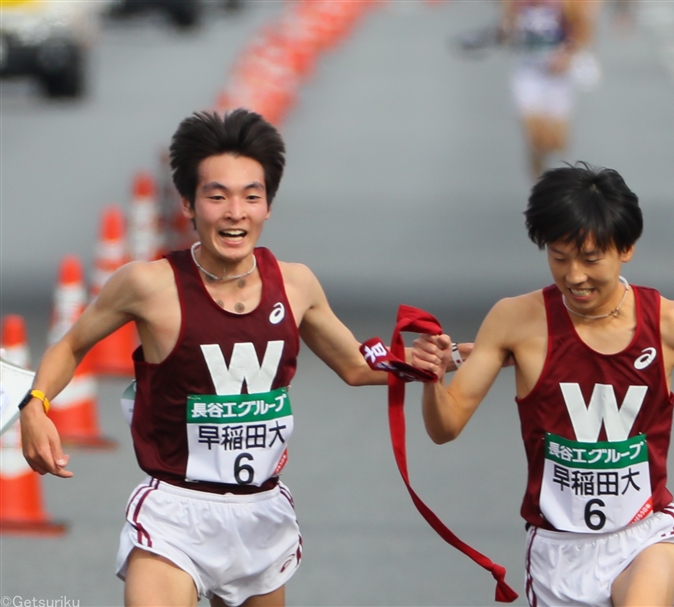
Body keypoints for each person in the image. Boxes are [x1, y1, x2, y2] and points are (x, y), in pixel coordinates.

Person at [18, 109, 458, 607]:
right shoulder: (149, 285)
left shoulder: (295, 284)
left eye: (252, 196)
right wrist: (35, 405)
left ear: (268, 205)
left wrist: (427, 360)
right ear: (187, 203)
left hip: (259, 515)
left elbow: (357, 365)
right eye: (217, 196)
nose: (235, 212)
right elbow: (72, 344)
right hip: (175, 513)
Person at [411, 163, 674, 607]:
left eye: (590, 259)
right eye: (559, 258)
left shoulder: (668, 324)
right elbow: (445, 427)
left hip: (647, 533)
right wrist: (432, 380)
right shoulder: (516, 321)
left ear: (626, 249)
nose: (574, 276)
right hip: (558, 551)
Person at [500, 0, 597, 180]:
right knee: (534, 136)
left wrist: (566, 55)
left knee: (556, 142)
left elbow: (582, 29)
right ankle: (538, 183)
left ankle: (546, 165)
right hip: (527, 70)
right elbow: (506, 27)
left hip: (557, 76)